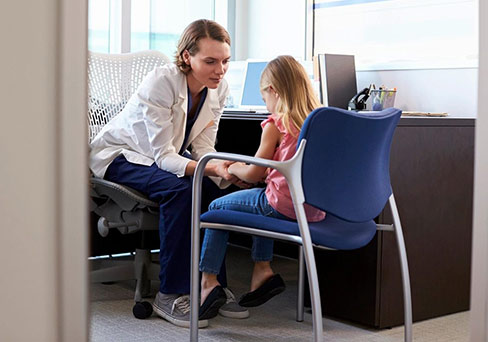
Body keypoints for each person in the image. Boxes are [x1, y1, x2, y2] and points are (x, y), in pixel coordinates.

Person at [89, 19, 249, 328]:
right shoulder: (162, 82)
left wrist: (224, 172)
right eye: (211, 61)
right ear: (188, 57)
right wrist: (211, 168)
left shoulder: (219, 88)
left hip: (162, 157)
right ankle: (170, 294)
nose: (220, 69)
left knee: (216, 194)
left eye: (225, 61)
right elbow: (164, 156)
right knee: (182, 191)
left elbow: (203, 148)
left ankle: (210, 283)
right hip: (121, 155)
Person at [198, 55, 326, 318]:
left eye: (264, 98)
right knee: (261, 202)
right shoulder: (321, 120)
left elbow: (254, 173)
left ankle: (208, 283)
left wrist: (230, 167)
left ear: (274, 92)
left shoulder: (276, 123)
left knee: (215, 208)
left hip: (282, 205)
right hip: (314, 209)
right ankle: (262, 270)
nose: (265, 105)